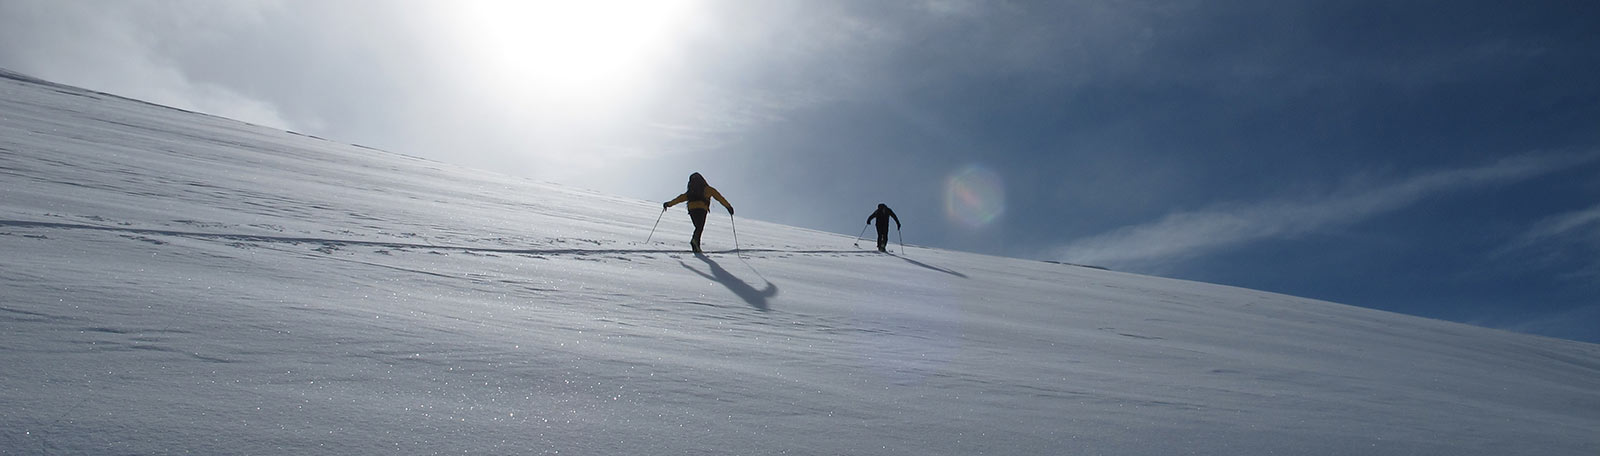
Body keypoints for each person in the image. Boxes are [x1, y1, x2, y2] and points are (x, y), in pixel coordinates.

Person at [663, 172, 733, 254]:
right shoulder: (708, 189)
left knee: (698, 227)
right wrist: (728, 207)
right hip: (701, 208)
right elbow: (719, 197)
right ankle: (695, 242)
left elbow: (679, 198)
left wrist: (668, 204)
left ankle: (696, 244)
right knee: (700, 227)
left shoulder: (690, 192)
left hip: (692, 209)